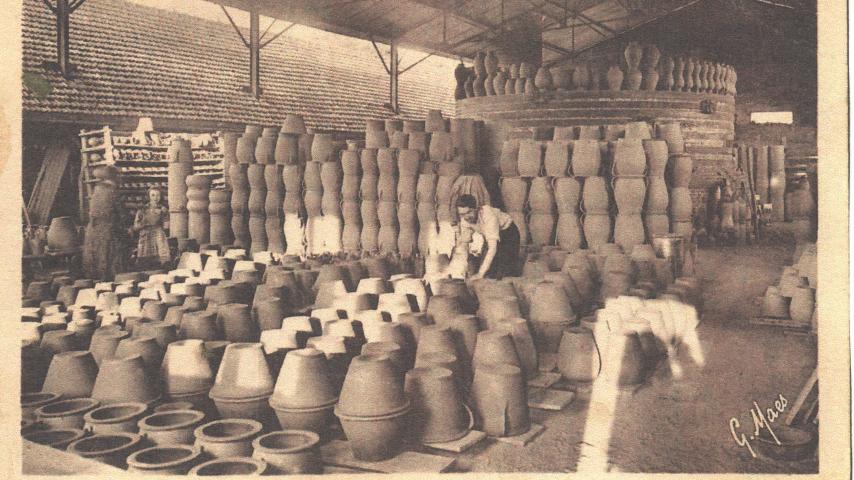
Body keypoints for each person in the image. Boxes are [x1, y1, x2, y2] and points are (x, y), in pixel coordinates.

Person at [455, 194, 520, 280]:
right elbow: (464, 244)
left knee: (504, 272)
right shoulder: (465, 219)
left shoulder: (489, 216)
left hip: (508, 234)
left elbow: (492, 248)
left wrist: (480, 274)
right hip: (489, 235)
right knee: (488, 270)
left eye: (469, 212)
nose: (466, 217)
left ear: (477, 208)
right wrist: (462, 267)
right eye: (462, 214)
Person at [132, 187, 171, 267]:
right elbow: (135, 226)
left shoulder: (163, 210)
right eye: (153, 195)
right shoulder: (142, 209)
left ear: (161, 197)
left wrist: (164, 218)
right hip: (145, 235)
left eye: (158, 195)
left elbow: (166, 226)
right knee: (144, 262)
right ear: (149, 196)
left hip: (158, 234)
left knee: (161, 261)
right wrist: (145, 223)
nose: (155, 198)